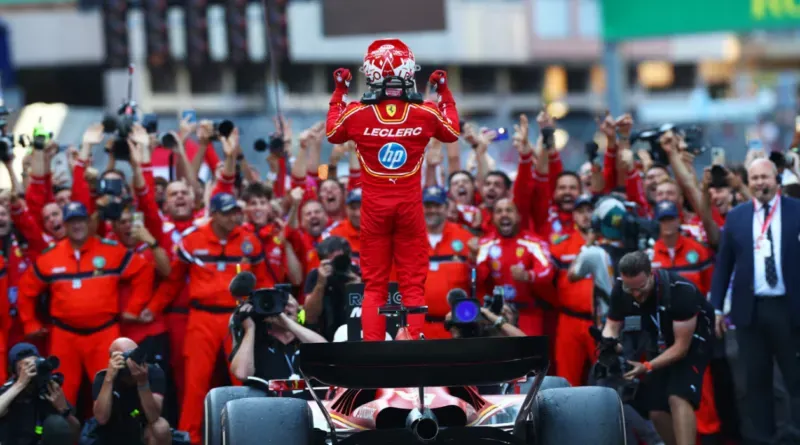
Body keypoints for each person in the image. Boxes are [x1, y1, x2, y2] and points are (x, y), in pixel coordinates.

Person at [326, 38, 460, 341]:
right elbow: (452, 131)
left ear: (371, 74)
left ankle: (374, 354)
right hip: (410, 210)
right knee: (412, 285)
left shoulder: (356, 114)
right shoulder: (425, 113)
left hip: (374, 211)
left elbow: (332, 132)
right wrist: (444, 93)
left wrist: (339, 91)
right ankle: (411, 344)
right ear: (409, 71)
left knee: (374, 285)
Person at [145, 193, 270, 445]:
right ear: (212, 214)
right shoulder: (192, 241)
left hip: (237, 317)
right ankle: (188, 439)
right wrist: (153, 307)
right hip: (201, 318)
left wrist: (270, 311)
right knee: (195, 384)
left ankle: (250, 436)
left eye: (235, 211)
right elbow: (173, 281)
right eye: (226, 212)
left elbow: (264, 281)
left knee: (244, 380)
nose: (232, 217)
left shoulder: (249, 241)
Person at [16, 202, 154, 406]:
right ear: (65, 224)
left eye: (81, 220)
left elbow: (143, 270)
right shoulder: (50, 257)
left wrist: (134, 307)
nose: (77, 226)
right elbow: (26, 289)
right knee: (59, 392)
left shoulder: (110, 251)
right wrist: (30, 323)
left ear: (89, 222)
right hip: (65, 336)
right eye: (72, 221)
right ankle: (63, 434)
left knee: (111, 392)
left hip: (103, 333)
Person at [711, 157, 800, 445]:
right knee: (755, 382)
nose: (760, 183)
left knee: (795, 378)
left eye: (765, 177)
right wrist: (715, 307)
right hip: (750, 311)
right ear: (748, 183)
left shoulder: (796, 211)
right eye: (755, 178)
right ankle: (763, 438)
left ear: (777, 180)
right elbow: (723, 265)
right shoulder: (736, 216)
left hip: (789, 308)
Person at [603, 251, 715, 445]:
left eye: (641, 287)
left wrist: (647, 366)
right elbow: (611, 326)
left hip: (693, 339)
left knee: (677, 395)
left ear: (651, 273)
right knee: (655, 410)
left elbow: (681, 348)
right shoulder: (621, 290)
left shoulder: (680, 291)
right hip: (659, 338)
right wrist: (608, 347)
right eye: (631, 289)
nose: (636, 295)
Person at [229, 295, 326, 384]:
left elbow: (326, 351)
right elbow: (241, 374)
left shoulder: (307, 339)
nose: (283, 308)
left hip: (310, 402)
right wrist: (249, 329)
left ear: (299, 310)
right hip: (268, 402)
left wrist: (287, 323)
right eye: (278, 304)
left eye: (287, 304)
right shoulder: (255, 342)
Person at [91, 337, 171, 445]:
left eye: (134, 354)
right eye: (125, 356)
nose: (131, 360)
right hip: (114, 433)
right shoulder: (103, 377)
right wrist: (109, 379)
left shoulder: (153, 372)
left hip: (142, 430)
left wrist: (143, 383)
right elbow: (101, 418)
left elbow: (153, 416)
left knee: (160, 427)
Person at [0, 342, 80, 445]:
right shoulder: (9, 389)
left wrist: (64, 409)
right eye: (25, 367)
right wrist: (19, 384)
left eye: (34, 365)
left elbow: (75, 434)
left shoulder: (49, 388)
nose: (31, 371)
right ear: (14, 372)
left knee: (56, 424)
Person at [303, 236, 361, 341]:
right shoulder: (316, 275)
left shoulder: (357, 273)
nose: (337, 264)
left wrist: (358, 288)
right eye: (332, 261)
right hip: (324, 339)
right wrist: (320, 284)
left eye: (340, 259)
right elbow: (310, 318)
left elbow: (372, 313)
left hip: (355, 337)